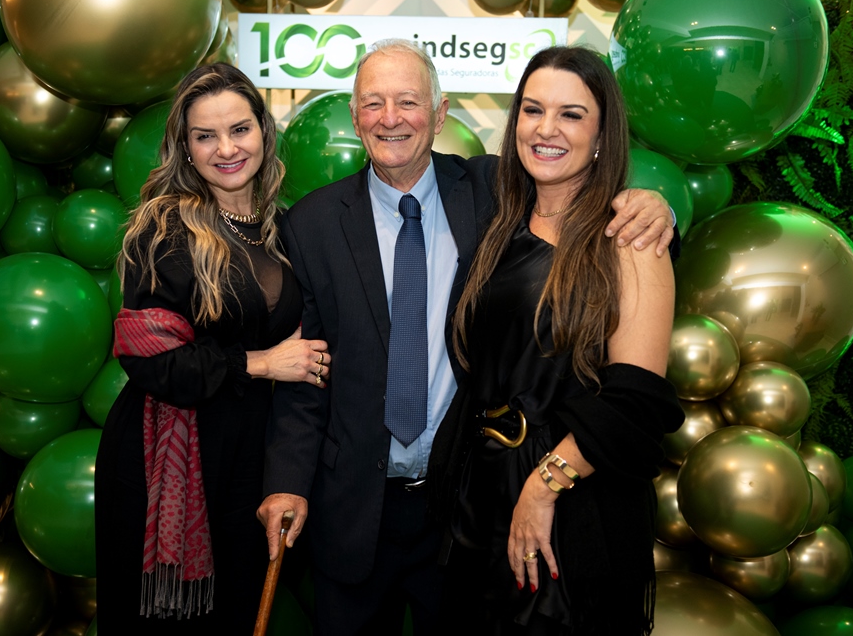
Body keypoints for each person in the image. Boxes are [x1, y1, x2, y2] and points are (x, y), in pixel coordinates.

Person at [257, 39, 675, 636]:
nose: (391, 118)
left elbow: (596, 225)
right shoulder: (313, 223)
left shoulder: (489, 191)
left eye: (408, 101)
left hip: (460, 507)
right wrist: (285, 482)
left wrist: (656, 208)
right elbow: (309, 371)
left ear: (440, 113)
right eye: (373, 103)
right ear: (354, 115)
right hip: (354, 507)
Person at [431, 46, 685, 635]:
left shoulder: (628, 239)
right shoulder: (499, 221)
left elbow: (635, 402)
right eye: (532, 109)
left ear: (602, 135)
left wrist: (543, 489)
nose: (546, 129)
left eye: (571, 114)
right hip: (481, 491)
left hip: (572, 501)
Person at [94, 62, 330, 634]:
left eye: (240, 129)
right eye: (206, 136)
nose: (226, 149)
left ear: (264, 132)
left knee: (238, 613)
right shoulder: (163, 230)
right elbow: (150, 358)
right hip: (167, 460)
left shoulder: (282, 227)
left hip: (252, 455)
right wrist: (263, 363)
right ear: (186, 147)